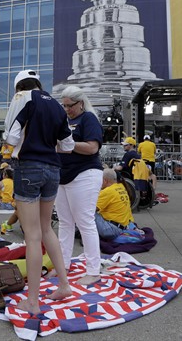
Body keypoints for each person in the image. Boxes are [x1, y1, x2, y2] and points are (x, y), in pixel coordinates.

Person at [3, 69, 74, 315]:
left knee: (32, 235)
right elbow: (68, 145)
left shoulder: (22, 98)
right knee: (46, 229)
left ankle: (32, 301)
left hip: (28, 168)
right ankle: (64, 285)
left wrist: (16, 144)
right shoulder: (55, 105)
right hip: (53, 169)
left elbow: (11, 136)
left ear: (18, 87)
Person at [56, 85, 103, 285]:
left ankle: (93, 270)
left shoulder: (89, 119)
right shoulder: (64, 120)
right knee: (65, 223)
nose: (67, 109)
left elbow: (92, 148)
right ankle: (62, 265)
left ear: (81, 103)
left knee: (85, 222)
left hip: (85, 174)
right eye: (64, 105)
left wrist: (67, 145)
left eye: (70, 105)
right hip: (63, 175)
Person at [94, 169, 137, 240]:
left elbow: (91, 209)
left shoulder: (107, 191)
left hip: (111, 230)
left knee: (87, 213)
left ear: (105, 180)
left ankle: (85, 236)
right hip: (122, 227)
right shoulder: (121, 187)